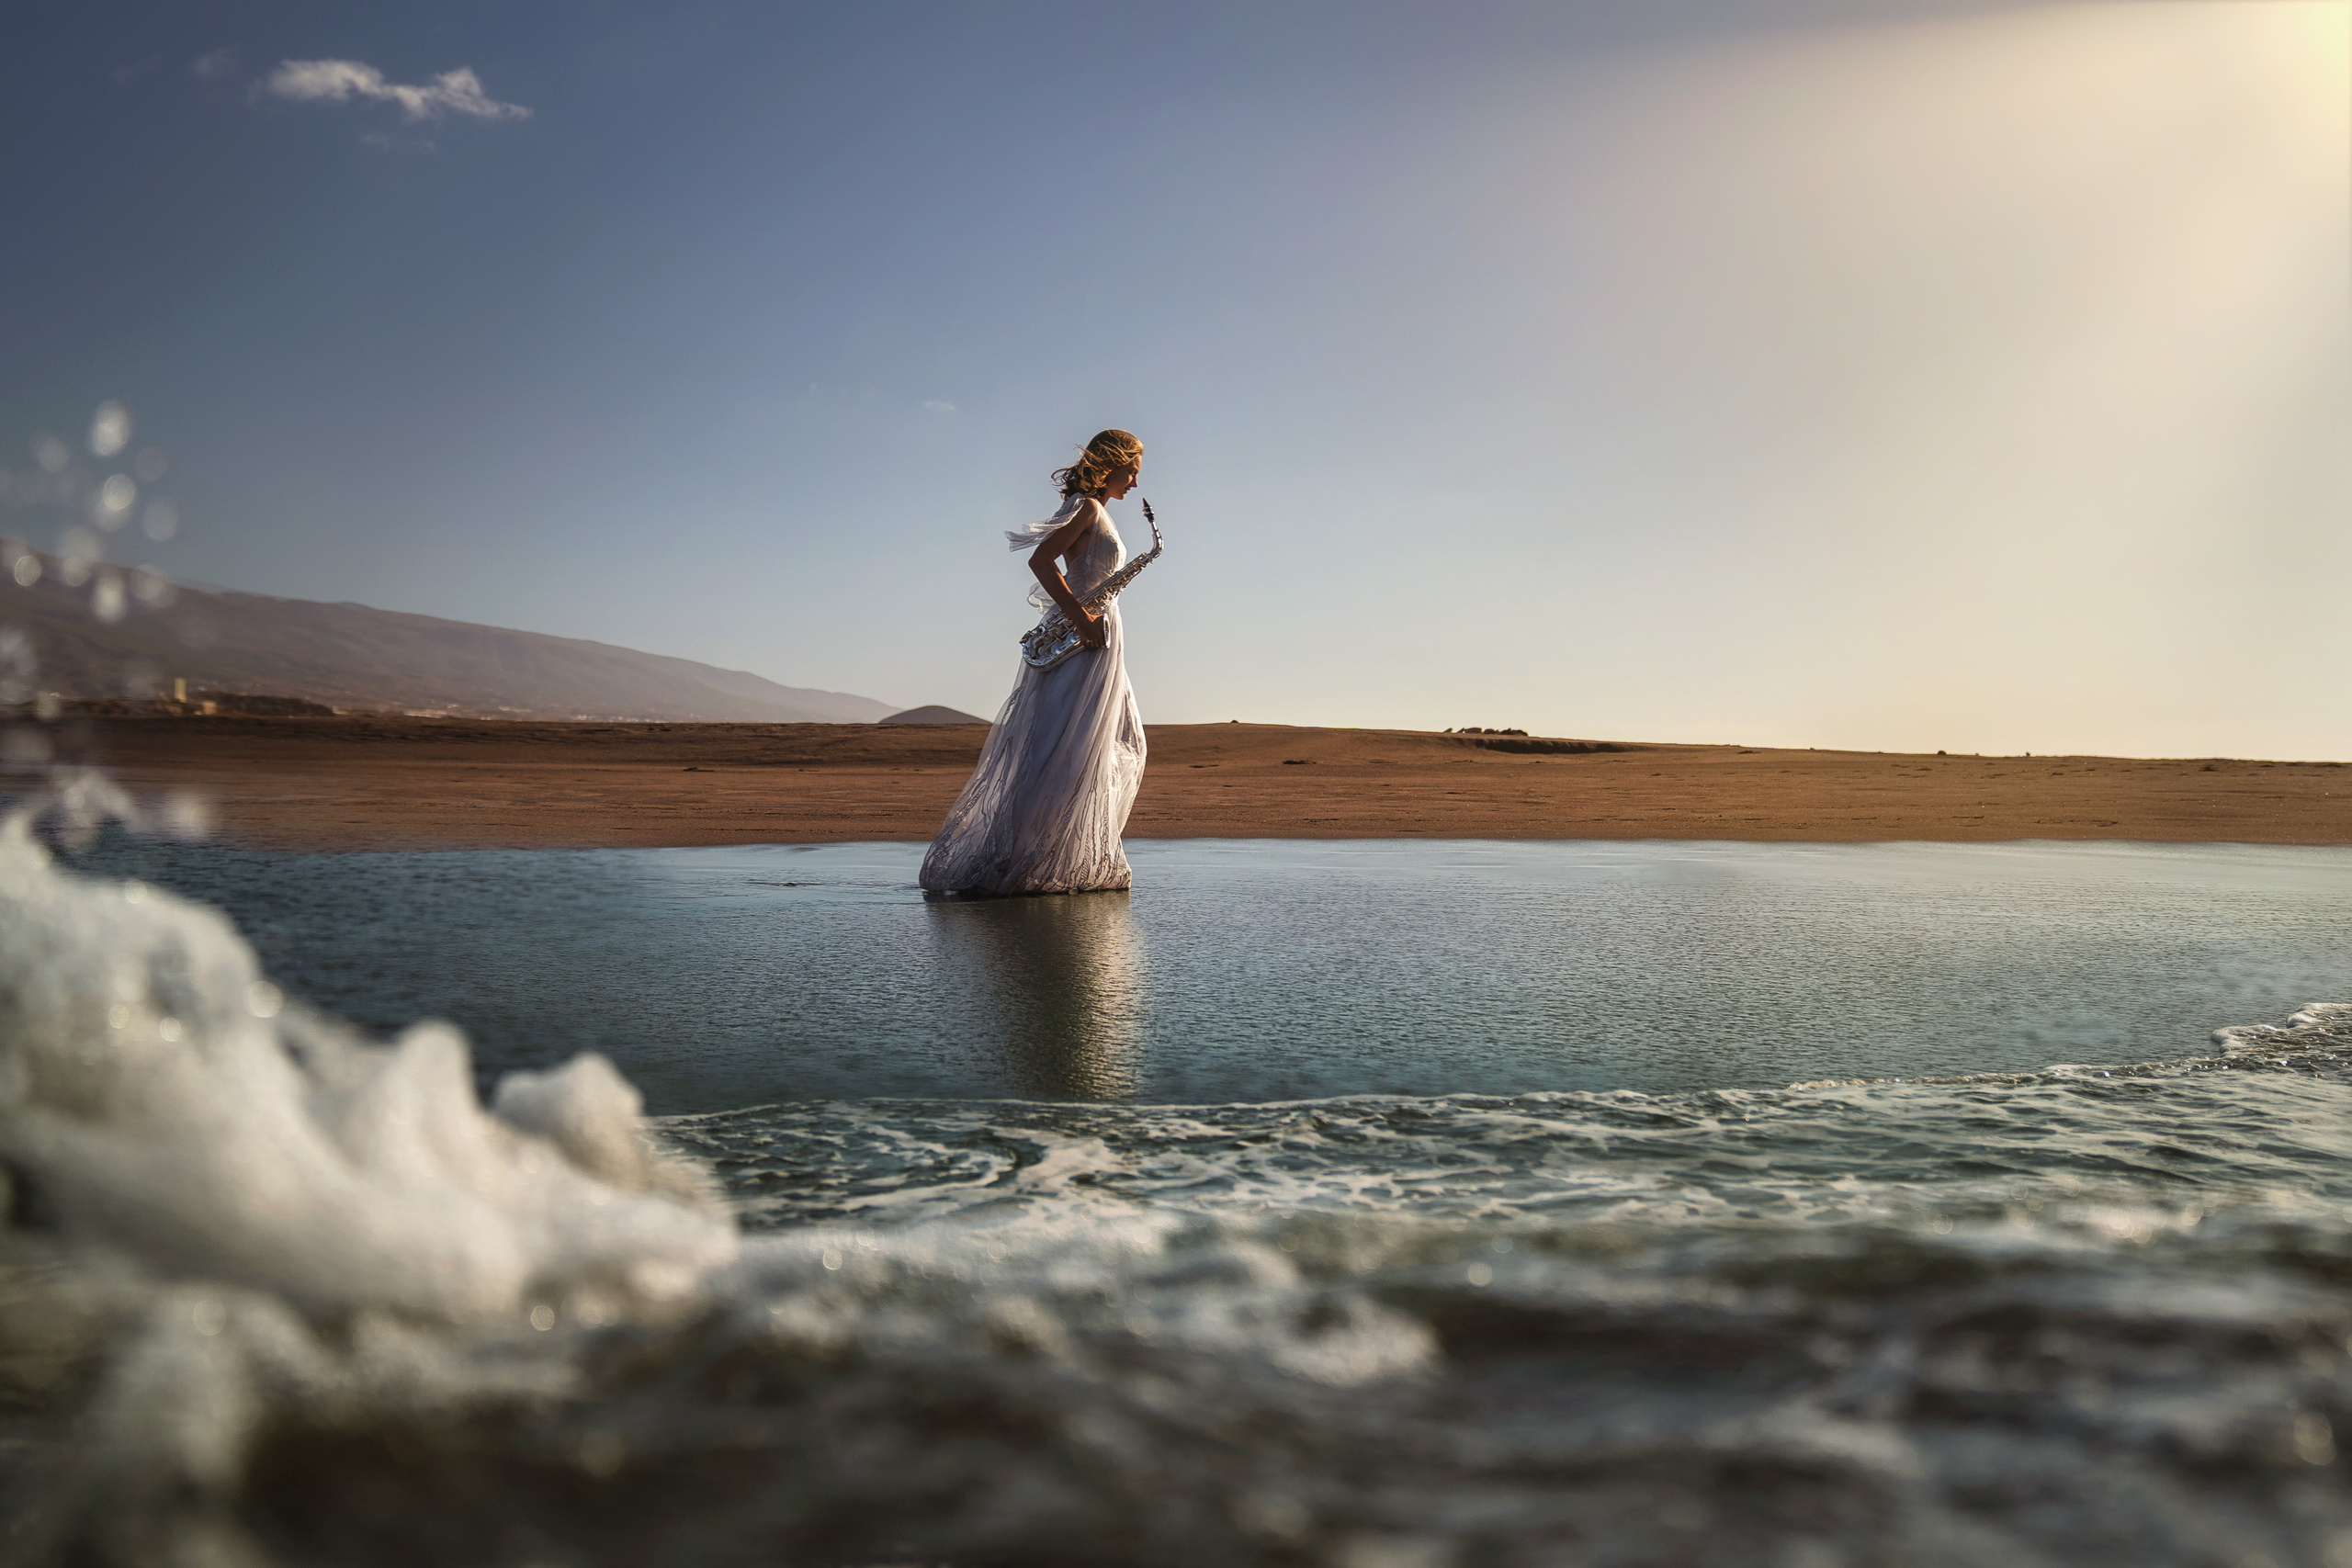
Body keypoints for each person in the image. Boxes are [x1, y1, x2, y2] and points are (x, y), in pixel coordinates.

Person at [920, 429, 1148, 898]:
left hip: (1096, 640)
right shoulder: (1087, 508)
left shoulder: (1096, 511)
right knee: (1058, 749)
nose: (1135, 483)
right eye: (1133, 471)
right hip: (1081, 640)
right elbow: (1043, 562)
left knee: (1105, 745)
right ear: (1114, 463)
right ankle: (1027, 856)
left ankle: (1056, 852)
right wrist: (1082, 618)